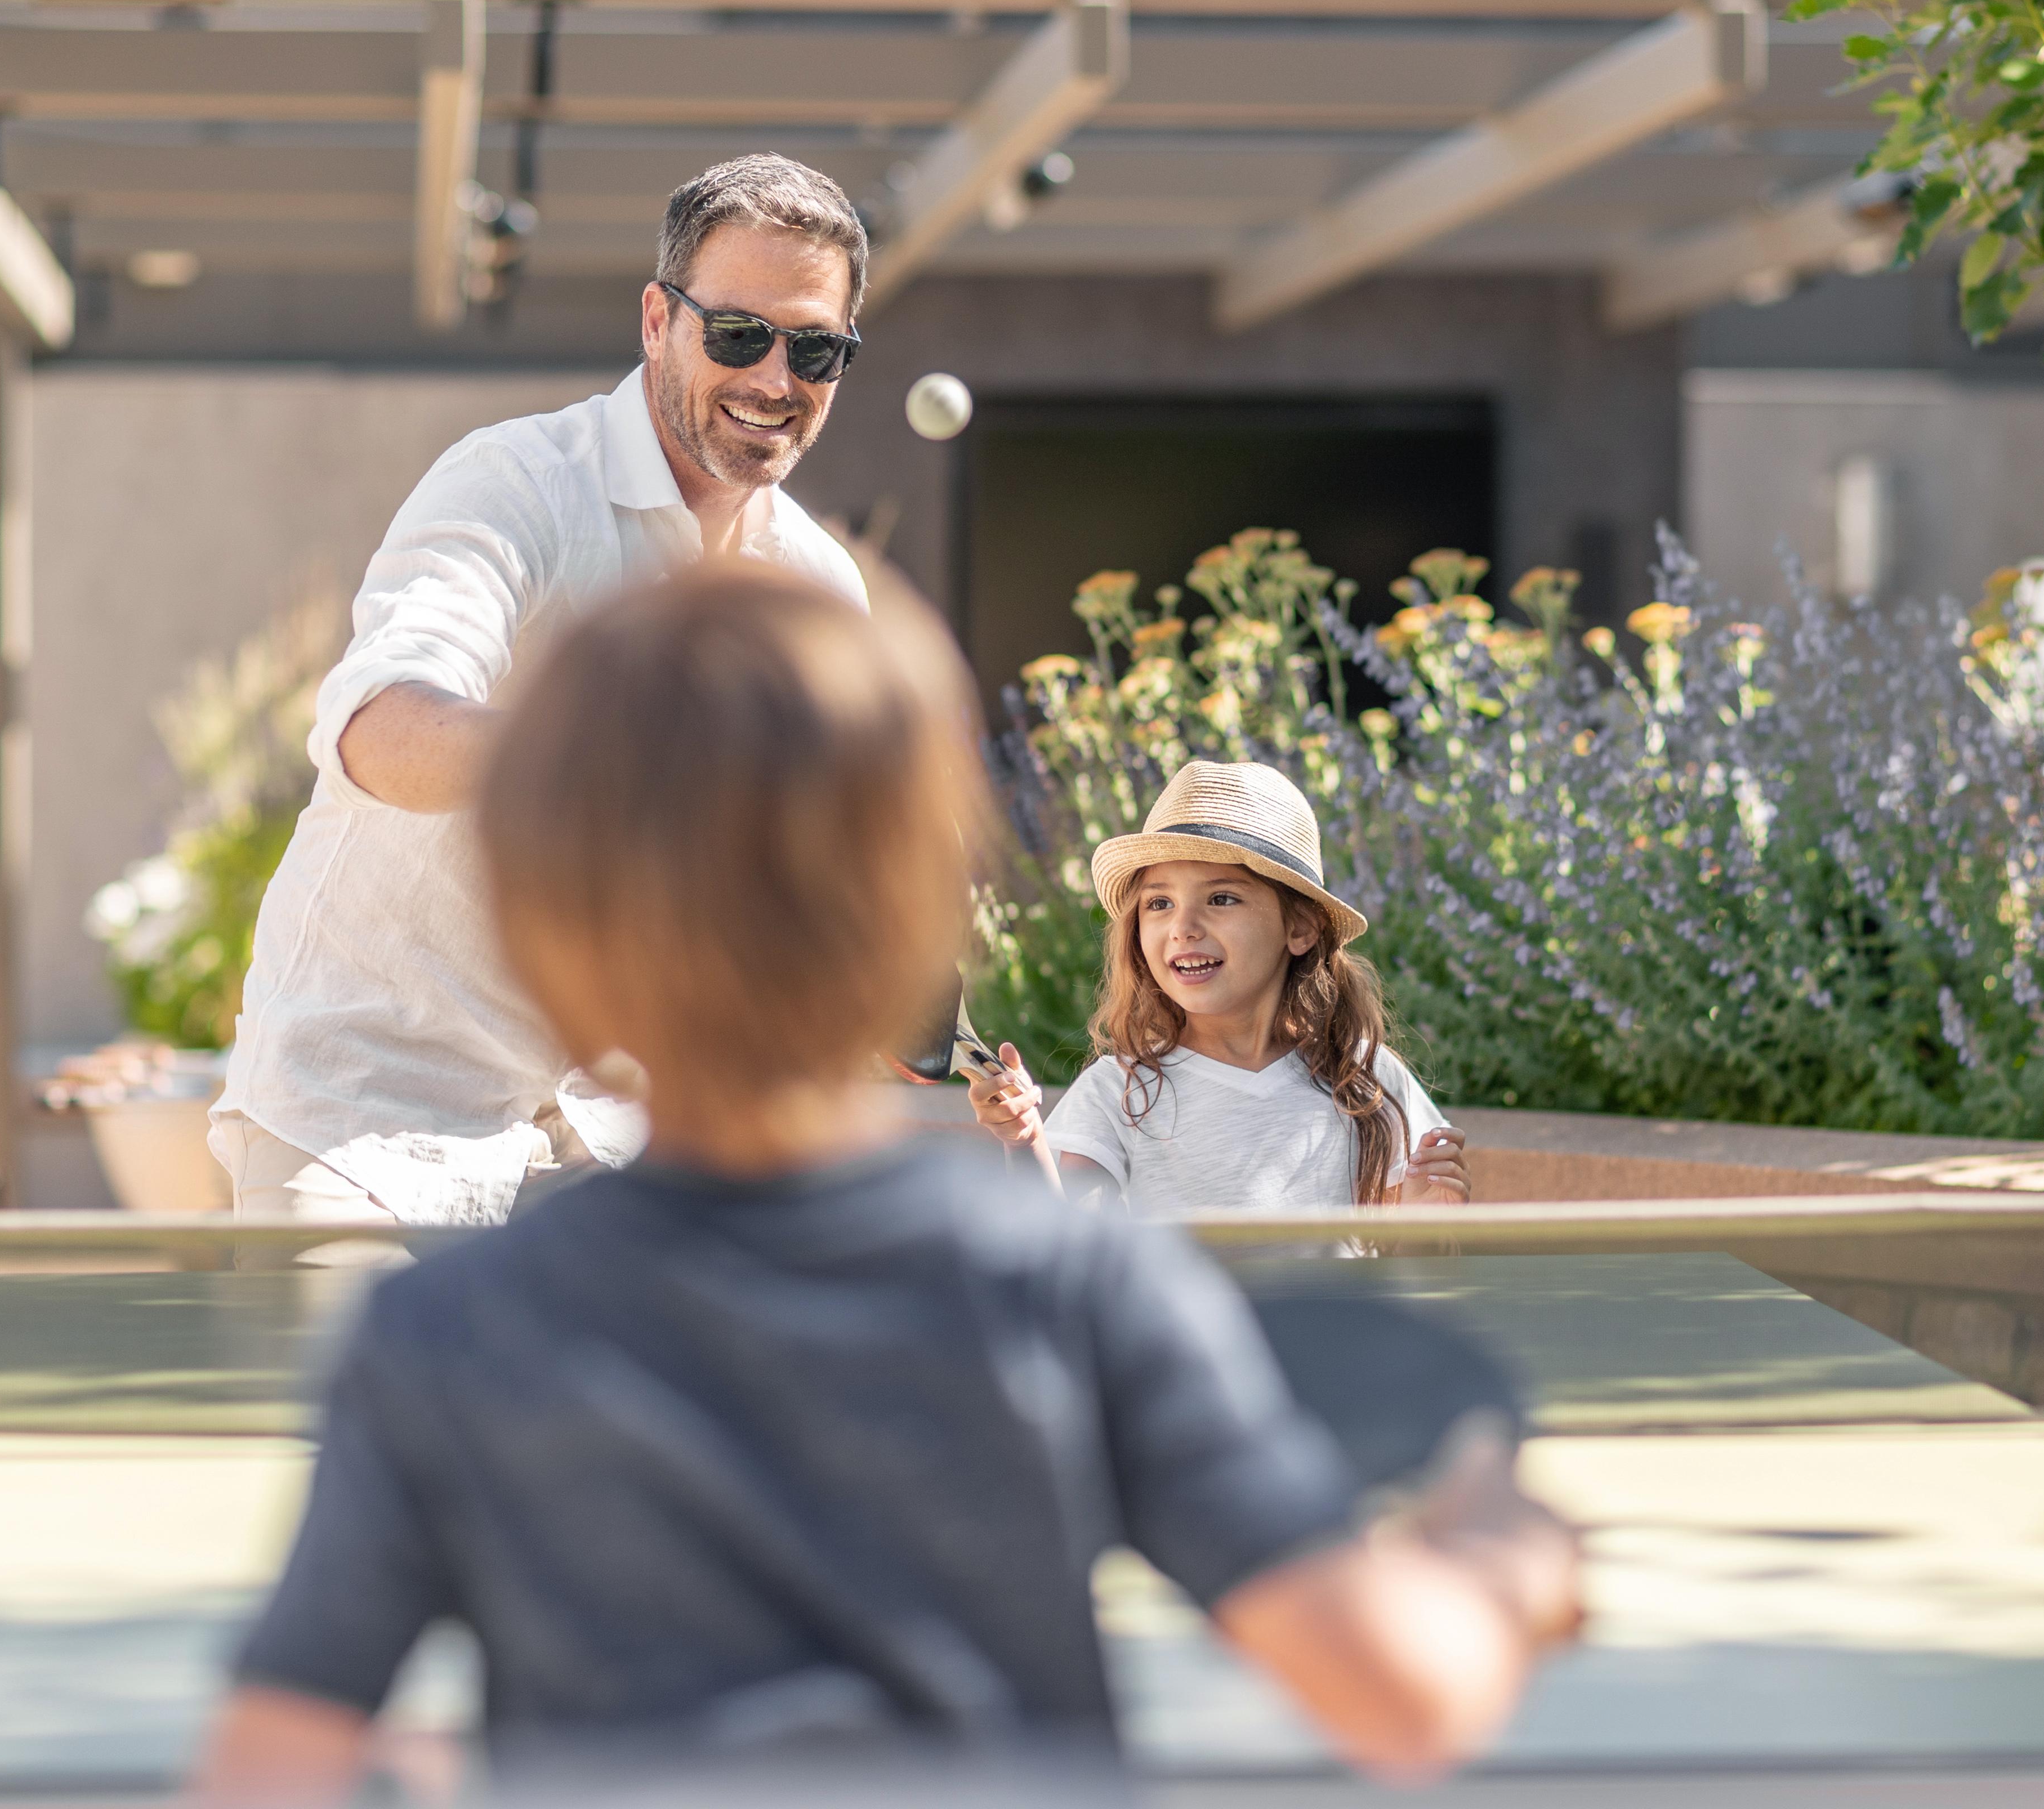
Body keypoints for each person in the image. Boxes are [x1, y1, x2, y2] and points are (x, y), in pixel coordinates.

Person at [189, 566, 1581, 1797]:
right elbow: (1397, 1694)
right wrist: (1499, 1550)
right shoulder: (1071, 1285)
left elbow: (267, 1773)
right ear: (915, 918)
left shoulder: (442, 1334)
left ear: (538, 930)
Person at [208, 154, 876, 1228]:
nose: (775, 379)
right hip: (368, 1112)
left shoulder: (818, 592)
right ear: (658, 321)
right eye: (741, 335)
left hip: (630, 1140)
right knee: (329, 1389)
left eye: (816, 349)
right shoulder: (516, 482)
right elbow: (381, 730)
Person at [966, 760, 1470, 1216]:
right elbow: (1060, 1247)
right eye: (1159, 903)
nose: (1183, 927)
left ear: (1300, 928)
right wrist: (1026, 1139)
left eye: (1222, 898)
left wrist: (1428, 1226)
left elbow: (1410, 1277)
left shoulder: (1365, 1076)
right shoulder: (1117, 1091)